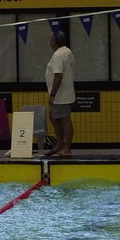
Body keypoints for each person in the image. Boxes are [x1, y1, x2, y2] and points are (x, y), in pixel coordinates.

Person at [45, 29, 75, 158]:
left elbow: (58, 75)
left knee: (64, 120)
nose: (49, 41)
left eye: (50, 38)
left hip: (60, 95)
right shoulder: (67, 51)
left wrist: (52, 94)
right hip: (65, 92)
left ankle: (66, 149)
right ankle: (59, 144)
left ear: (53, 41)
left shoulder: (58, 55)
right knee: (53, 117)